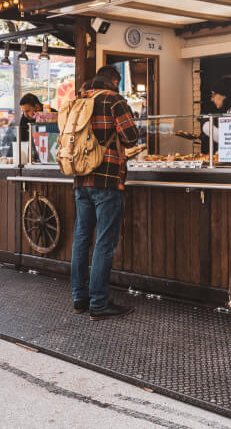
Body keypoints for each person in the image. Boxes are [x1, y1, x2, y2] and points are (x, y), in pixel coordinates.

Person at [70, 65, 141, 321]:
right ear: (114, 80)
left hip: (81, 178)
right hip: (108, 179)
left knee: (81, 240)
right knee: (104, 242)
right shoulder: (114, 100)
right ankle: (99, 304)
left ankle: (80, 299)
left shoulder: (79, 99)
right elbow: (131, 137)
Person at [18, 93, 55, 161]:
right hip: (32, 158)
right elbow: (22, 140)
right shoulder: (25, 118)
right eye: (23, 112)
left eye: (27, 111)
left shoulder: (52, 115)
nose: (25, 115)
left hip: (52, 156)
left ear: (37, 107)